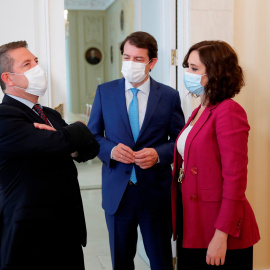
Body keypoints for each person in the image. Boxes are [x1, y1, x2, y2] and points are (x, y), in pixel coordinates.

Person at [88, 31, 185, 270]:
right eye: (126, 57)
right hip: (117, 194)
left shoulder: (169, 96)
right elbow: (92, 136)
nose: (130, 63)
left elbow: (181, 141)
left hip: (154, 193)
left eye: (138, 59)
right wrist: (110, 151)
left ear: (152, 62)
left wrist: (159, 154)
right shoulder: (105, 92)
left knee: (161, 261)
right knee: (121, 262)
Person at [0, 41, 100, 270]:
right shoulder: (5, 117)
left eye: (36, 61)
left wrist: (66, 142)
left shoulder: (50, 114)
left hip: (66, 229)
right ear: (8, 78)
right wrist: (75, 130)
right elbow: (63, 140)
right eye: (27, 64)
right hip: (30, 235)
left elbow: (90, 149)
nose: (37, 68)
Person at [171, 40, 260, 270]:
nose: (187, 73)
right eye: (187, 67)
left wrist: (222, 236)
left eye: (194, 68)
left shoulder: (228, 110)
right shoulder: (199, 110)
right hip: (194, 219)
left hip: (219, 227)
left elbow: (235, 179)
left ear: (215, 72)